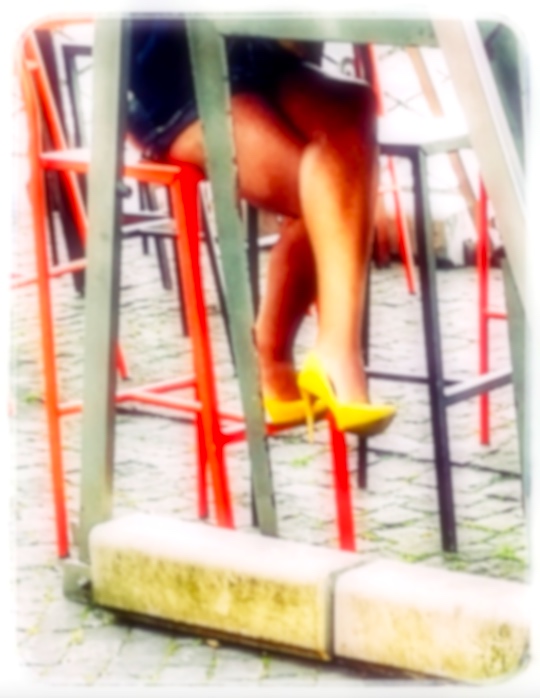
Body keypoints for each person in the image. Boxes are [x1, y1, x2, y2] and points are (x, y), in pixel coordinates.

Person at [126, 17, 396, 436]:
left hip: (262, 59)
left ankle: (314, 352)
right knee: (340, 200)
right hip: (178, 80)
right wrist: (365, 188)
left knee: (353, 105)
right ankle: (309, 355)